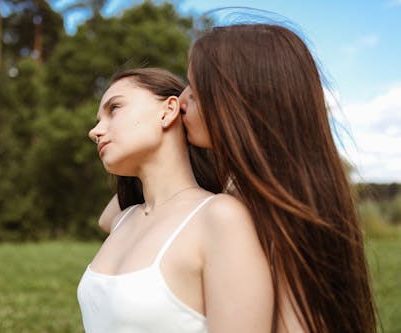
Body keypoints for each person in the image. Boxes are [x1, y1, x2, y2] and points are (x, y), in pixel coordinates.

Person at [95, 24, 377, 333]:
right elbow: (115, 218)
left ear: (239, 98)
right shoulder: (255, 191)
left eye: (194, 87)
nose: (182, 98)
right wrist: (160, 154)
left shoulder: (242, 209)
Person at [77, 67, 274, 332]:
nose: (94, 131)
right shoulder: (123, 219)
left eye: (114, 108)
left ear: (169, 111)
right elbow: (106, 219)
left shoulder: (220, 216)